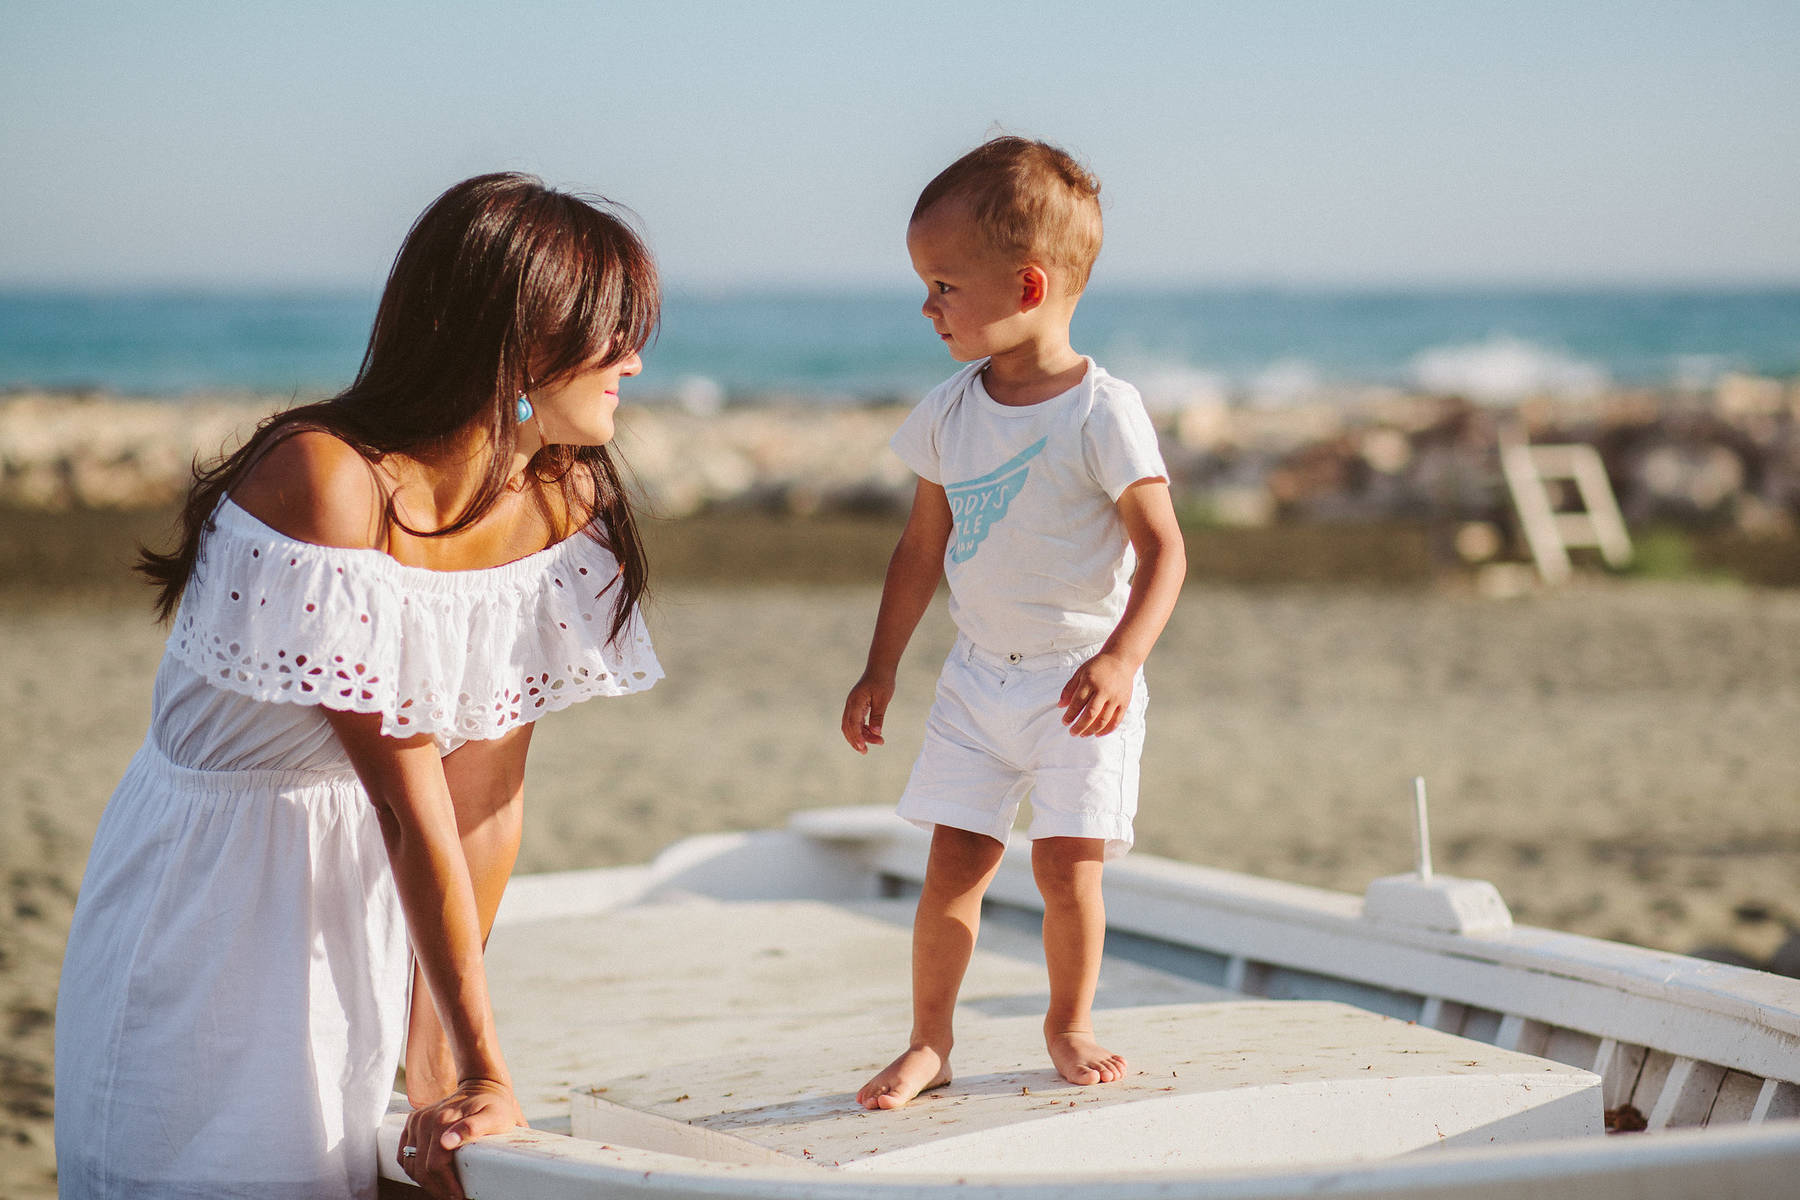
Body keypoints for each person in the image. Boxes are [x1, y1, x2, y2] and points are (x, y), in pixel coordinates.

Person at [54, 172, 663, 1200]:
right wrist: (484, 1064)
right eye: (612, 335)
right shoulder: (326, 481)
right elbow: (405, 794)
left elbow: (483, 802)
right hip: (206, 904)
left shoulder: (563, 497)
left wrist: (437, 1067)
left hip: (370, 915)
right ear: (519, 344)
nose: (635, 363)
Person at [841, 136, 1186, 1110]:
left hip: (1079, 678)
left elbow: (1165, 552)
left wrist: (1123, 659)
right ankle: (930, 1042)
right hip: (976, 676)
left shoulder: (1101, 414)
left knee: (1065, 865)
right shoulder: (951, 412)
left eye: (944, 284)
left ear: (1027, 285)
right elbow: (918, 552)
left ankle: (1068, 1023)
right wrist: (881, 671)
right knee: (952, 862)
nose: (927, 306)